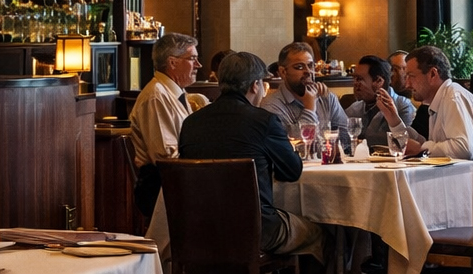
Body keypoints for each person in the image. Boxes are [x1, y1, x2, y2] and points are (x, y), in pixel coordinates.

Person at [178, 51, 323, 264]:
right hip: (255, 231)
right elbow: (293, 171)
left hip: (198, 230)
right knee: (319, 233)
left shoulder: (191, 123)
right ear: (255, 85)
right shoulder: (264, 121)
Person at [130, 32, 203, 217]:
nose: (198, 65)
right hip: (161, 186)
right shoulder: (156, 96)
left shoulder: (176, 93)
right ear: (172, 62)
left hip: (178, 180)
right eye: (193, 59)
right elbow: (165, 156)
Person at [400, 45, 473, 170]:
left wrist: (422, 148)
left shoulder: (453, 98)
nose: (407, 84)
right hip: (466, 176)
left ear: (433, 74)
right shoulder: (441, 98)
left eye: (411, 76)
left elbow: (462, 149)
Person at [261, 42, 351, 149]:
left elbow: (347, 139)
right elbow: (292, 149)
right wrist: (309, 109)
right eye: (299, 67)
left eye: (310, 65)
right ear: (283, 72)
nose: (308, 71)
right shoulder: (271, 106)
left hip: (330, 164)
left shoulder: (327, 97)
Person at [351, 54, 411, 146]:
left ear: (379, 81)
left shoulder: (403, 107)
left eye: (359, 79)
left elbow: (408, 144)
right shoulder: (354, 109)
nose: (355, 84)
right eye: (354, 78)